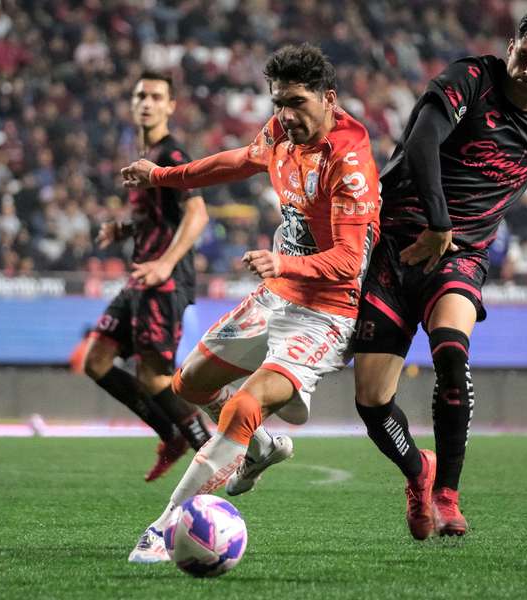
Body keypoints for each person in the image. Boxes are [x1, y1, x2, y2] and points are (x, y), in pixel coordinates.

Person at [352, 5, 527, 540]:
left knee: (452, 353)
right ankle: (418, 472)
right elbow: (420, 144)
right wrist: (436, 223)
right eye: (523, 56)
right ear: (511, 46)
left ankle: (448, 495)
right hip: (397, 247)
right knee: (371, 400)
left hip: (460, 258)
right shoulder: (469, 81)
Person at [119, 43, 381, 563]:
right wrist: (163, 176)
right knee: (189, 383)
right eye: (278, 103)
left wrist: (282, 263)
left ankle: (165, 526)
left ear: (329, 99)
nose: (286, 116)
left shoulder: (349, 161)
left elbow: (350, 260)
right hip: (278, 294)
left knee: (243, 405)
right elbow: (239, 161)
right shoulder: (282, 132)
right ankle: (258, 450)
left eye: (298, 103)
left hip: (328, 311)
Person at [83, 71, 212, 483]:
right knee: (97, 360)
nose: (147, 102)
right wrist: (126, 229)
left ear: (171, 106)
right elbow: (160, 216)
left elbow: (197, 212)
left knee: (154, 375)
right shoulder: (146, 152)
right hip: (141, 277)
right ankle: (171, 435)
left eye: (157, 96)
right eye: (141, 94)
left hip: (163, 280)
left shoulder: (172, 155)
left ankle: (208, 450)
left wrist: (166, 263)